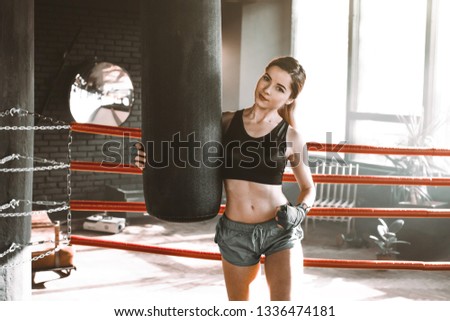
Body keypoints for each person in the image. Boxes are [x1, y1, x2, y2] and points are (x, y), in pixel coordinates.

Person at [134, 56, 316, 301]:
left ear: (290, 98)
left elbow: (308, 187)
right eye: (266, 78)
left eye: (279, 88)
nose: (267, 89)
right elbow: (187, 150)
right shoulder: (227, 122)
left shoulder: (291, 136)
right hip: (235, 233)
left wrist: (300, 212)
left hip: (279, 230)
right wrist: (151, 158)